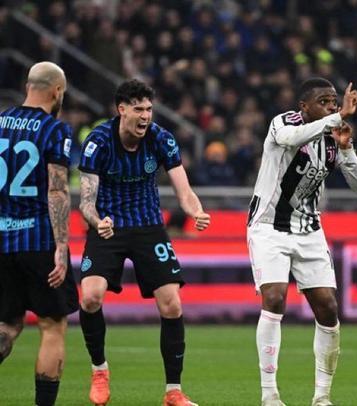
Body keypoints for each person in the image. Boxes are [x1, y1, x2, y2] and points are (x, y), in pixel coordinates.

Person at [78, 79, 210, 406]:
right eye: (138, 109)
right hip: (107, 227)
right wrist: (97, 221)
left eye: (149, 109)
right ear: (121, 109)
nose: (146, 116)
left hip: (148, 226)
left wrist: (195, 211)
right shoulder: (98, 141)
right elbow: (86, 201)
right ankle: (99, 370)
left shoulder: (161, 139)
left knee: (172, 304)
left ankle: (173, 392)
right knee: (91, 298)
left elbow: (183, 190)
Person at [247, 78, 357, 406]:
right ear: (304, 106)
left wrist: (347, 149)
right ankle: (269, 395)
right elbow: (290, 138)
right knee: (274, 297)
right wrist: (338, 116)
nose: (331, 107)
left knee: (328, 306)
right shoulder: (284, 122)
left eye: (334, 102)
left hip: (309, 229)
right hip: (269, 226)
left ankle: (322, 397)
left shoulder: (332, 139)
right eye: (324, 102)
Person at [0, 61, 78, 406]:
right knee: (52, 326)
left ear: (28, 86)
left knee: (6, 324)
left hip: (1, 239)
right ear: (57, 91)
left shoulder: (0, 122)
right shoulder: (54, 130)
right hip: (38, 241)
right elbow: (57, 190)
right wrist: (62, 245)